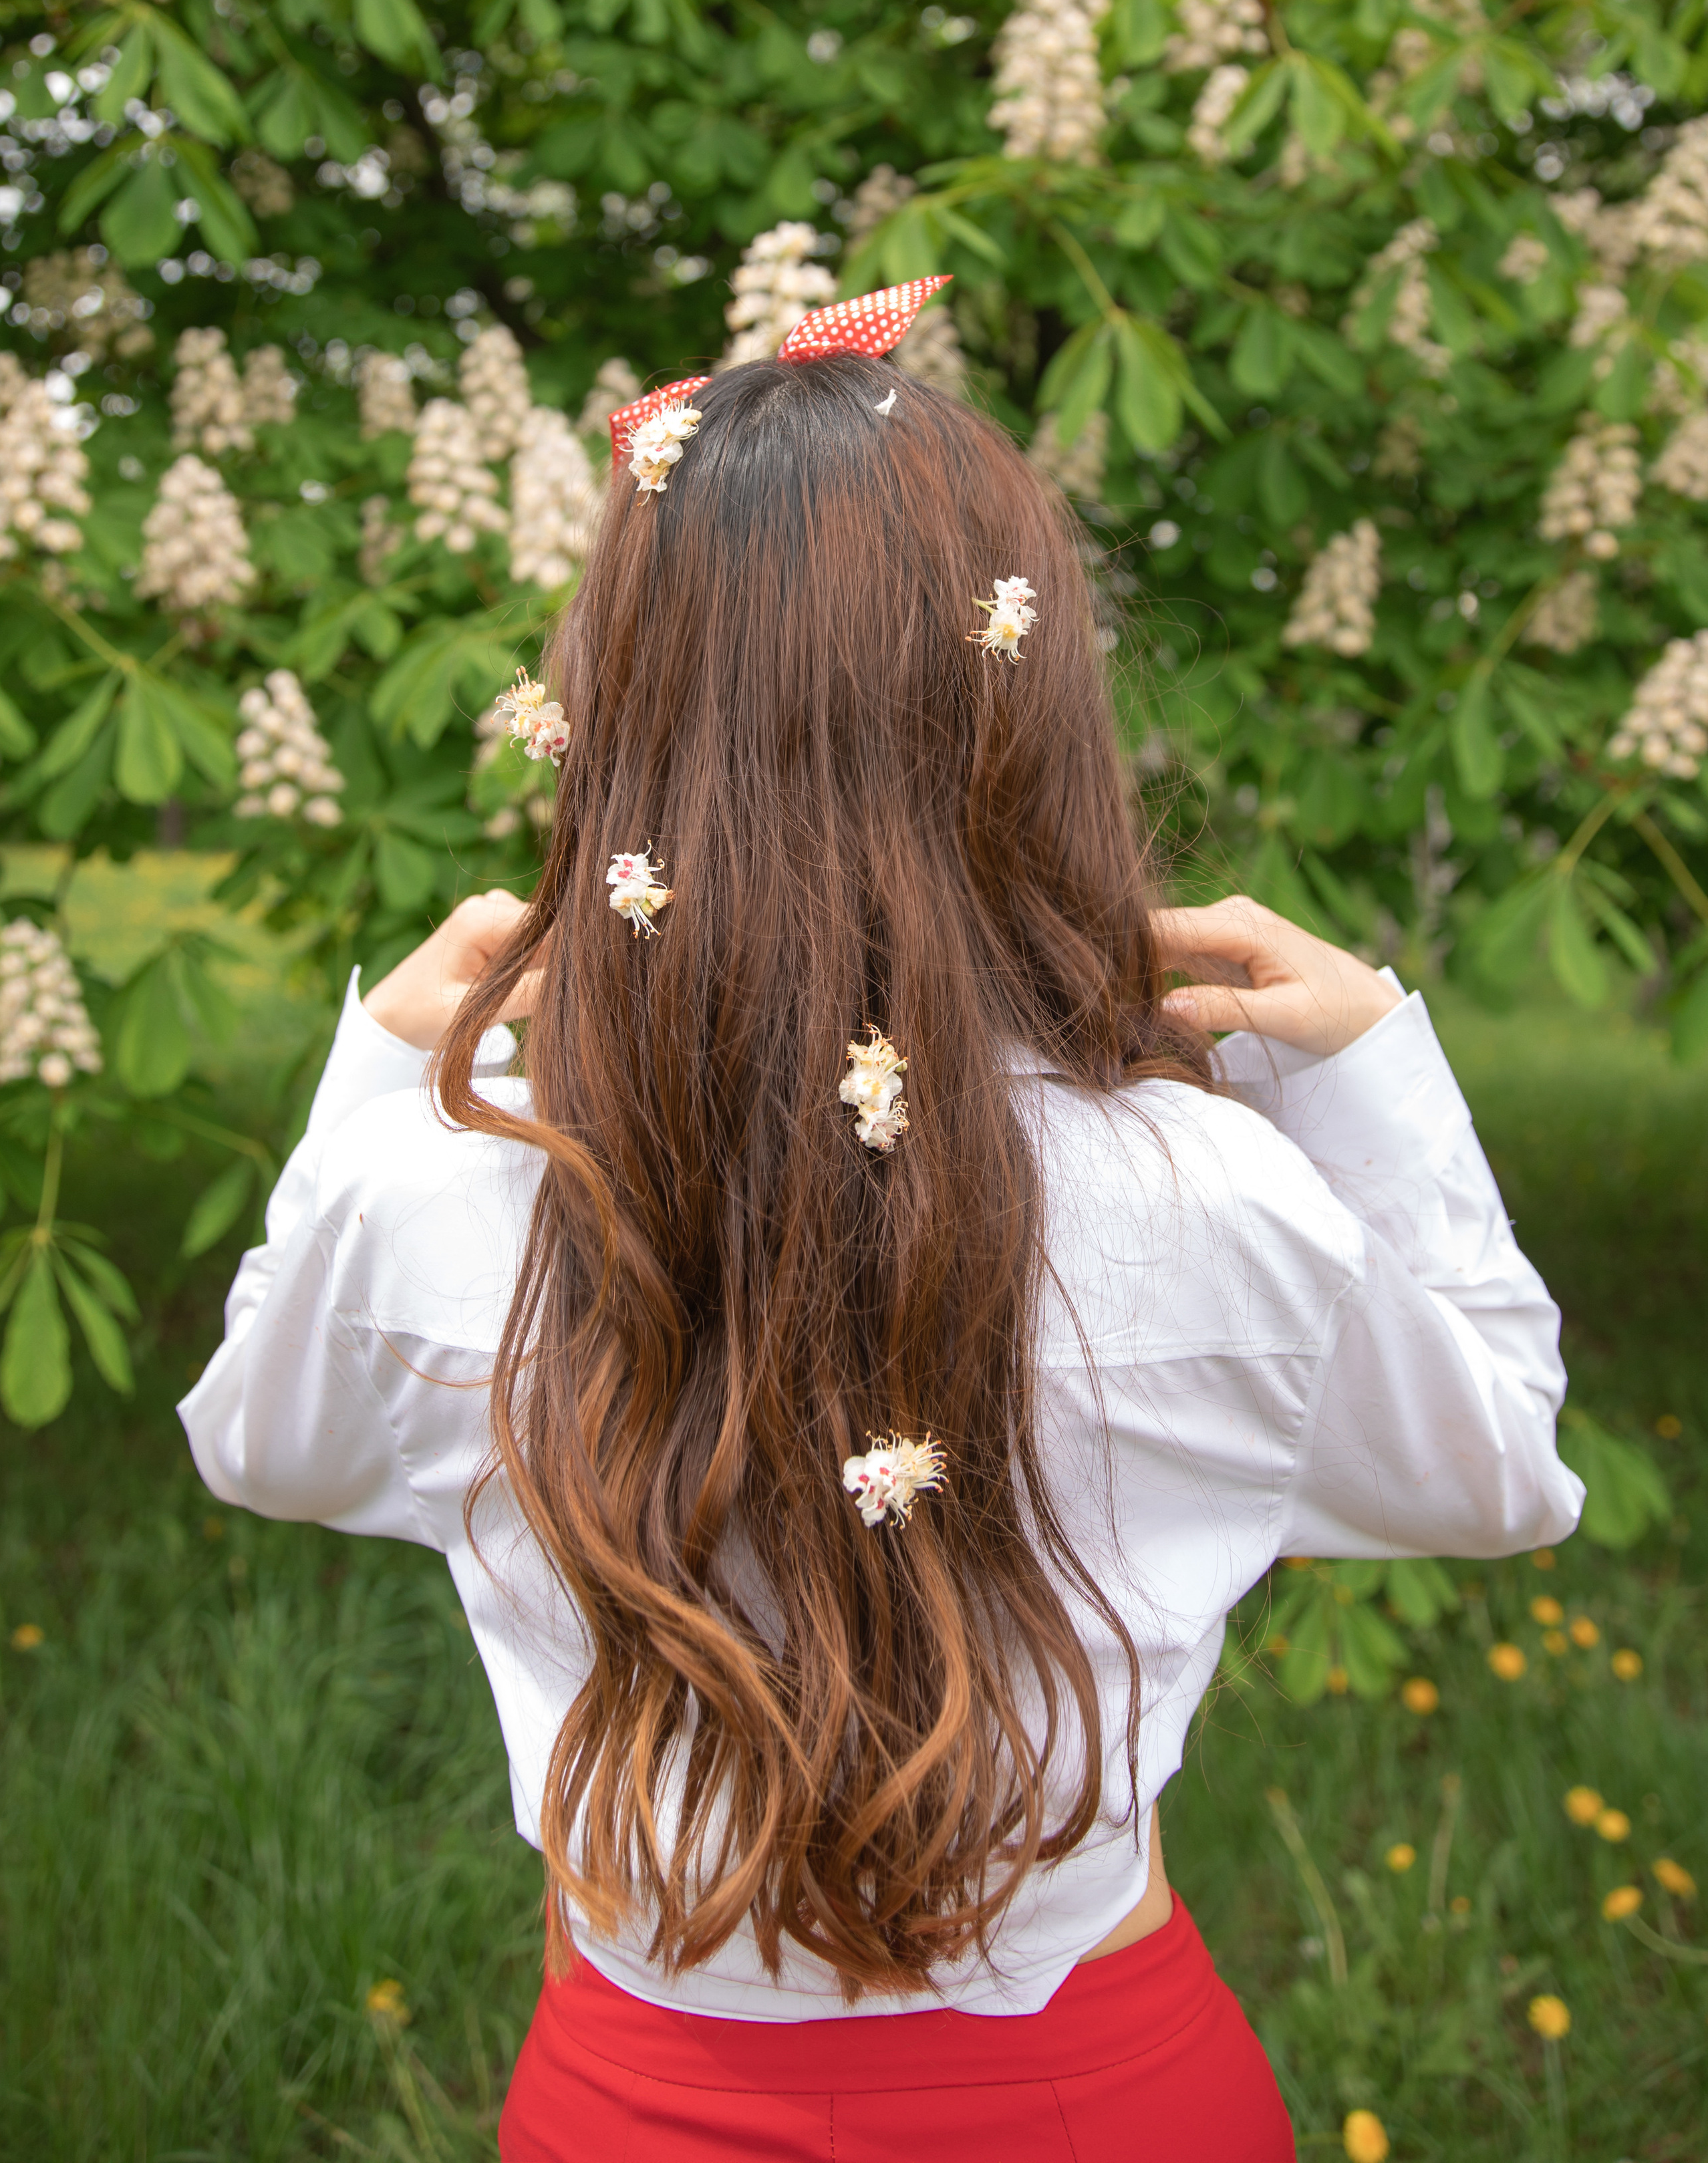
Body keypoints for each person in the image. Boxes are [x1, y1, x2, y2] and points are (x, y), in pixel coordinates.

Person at [180, 323, 1584, 2162]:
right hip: (1104, 2098)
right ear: (1025, 704)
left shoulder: (439, 1191)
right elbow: (1501, 1477)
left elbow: (258, 1447)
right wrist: (1380, 1072)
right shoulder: (1218, 1195)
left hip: (629, 2099)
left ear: (615, 712)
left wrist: (374, 1082)